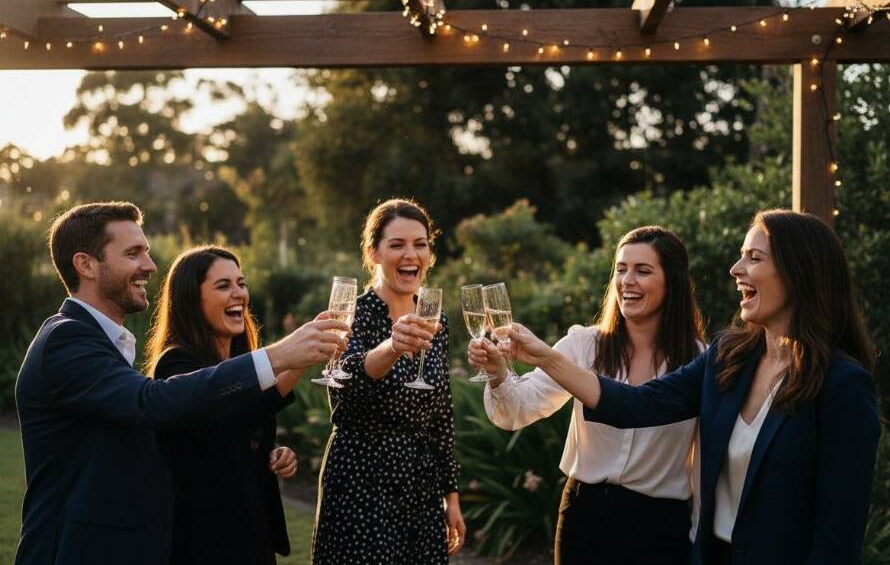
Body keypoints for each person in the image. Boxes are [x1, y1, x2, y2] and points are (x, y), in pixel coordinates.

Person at [502, 209, 880, 565]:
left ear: (799, 271)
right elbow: (638, 404)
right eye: (740, 256)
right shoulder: (727, 357)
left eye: (754, 258)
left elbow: (838, 534)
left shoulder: (843, 386)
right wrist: (544, 356)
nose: (736, 269)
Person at [14, 202, 349, 565]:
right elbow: (152, 402)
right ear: (86, 265)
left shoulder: (101, 341)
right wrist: (278, 355)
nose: (150, 265)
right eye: (133, 253)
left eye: (147, 251)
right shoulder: (67, 339)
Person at [469, 226, 705, 565]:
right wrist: (496, 373)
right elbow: (519, 410)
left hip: (660, 526)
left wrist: (698, 535)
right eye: (621, 269)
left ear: (673, 282)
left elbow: (703, 461)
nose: (627, 281)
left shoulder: (699, 361)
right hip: (585, 517)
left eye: (643, 270)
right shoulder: (584, 345)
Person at [311, 198, 465, 565]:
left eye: (420, 244)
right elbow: (344, 383)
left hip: (420, 482)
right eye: (397, 244)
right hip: (362, 475)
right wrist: (393, 347)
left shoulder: (435, 321)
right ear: (373, 253)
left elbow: (440, 414)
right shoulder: (352, 312)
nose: (410, 254)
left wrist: (452, 495)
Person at [145, 246, 298, 565]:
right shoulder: (176, 365)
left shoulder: (239, 363)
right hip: (206, 541)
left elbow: (242, 431)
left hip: (252, 534)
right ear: (192, 299)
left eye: (241, 283)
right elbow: (218, 426)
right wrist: (298, 361)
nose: (238, 294)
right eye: (223, 285)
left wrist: (272, 452)